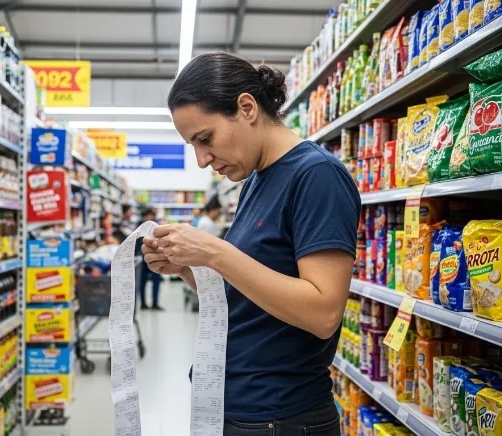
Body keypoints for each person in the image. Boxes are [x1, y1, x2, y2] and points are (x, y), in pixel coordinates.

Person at [142, 52, 360, 435]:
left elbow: (324, 313)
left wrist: (215, 252)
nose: (202, 159)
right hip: (236, 407)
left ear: (246, 108)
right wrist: (187, 269)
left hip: (280, 417)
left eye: (205, 139)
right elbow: (246, 294)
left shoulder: (316, 176)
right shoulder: (255, 181)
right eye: (193, 145)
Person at [136, 208, 163, 311]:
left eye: (151, 215)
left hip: (155, 257)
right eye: (148, 215)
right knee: (142, 281)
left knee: (156, 281)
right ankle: (143, 303)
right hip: (142, 258)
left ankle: (155, 303)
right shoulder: (140, 224)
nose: (150, 217)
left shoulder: (157, 225)